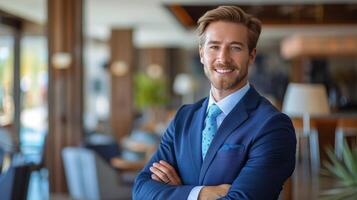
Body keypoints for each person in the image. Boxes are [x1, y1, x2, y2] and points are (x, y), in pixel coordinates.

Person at [133, 5, 296, 200]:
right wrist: (201, 193)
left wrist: (176, 191)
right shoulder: (183, 117)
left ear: (251, 55)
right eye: (214, 47)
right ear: (202, 54)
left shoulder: (273, 126)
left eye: (235, 47)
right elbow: (141, 190)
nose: (223, 58)